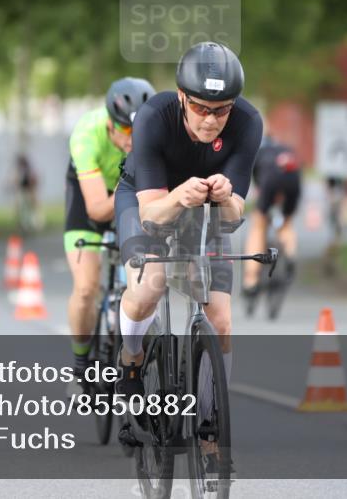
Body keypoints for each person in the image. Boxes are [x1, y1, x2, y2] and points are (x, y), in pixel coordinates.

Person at [113, 42, 262, 401]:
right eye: (200, 108)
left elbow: (232, 219)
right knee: (150, 284)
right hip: (145, 198)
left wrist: (226, 197)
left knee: (222, 322)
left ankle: (212, 428)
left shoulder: (248, 123)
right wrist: (179, 195)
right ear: (182, 97)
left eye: (221, 110)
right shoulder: (153, 116)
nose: (210, 119)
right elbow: (150, 215)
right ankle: (131, 356)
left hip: (205, 209)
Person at [63, 77, 156, 390]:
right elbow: (97, 209)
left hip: (132, 192)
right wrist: (130, 190)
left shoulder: (152, 135)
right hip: (93, 196)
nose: (134, 140)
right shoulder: (87, 135)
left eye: (139, 130)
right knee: (87, 288)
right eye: (127, 131)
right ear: (110, 124)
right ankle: (80, 366)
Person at [242, 134, 301, 316]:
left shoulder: (258, 153)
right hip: (293, 179)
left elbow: (257, 182)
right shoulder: (285, 148)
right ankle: (290, 254)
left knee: (258, 225)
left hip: (271, 180)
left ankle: (251, 281)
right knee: (286, 223)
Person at [14, 153, 40, 233]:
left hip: (28, 191)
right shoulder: (19, 171)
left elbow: (33, 181)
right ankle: (24, 225)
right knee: (23, 209)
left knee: (29, 209)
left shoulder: (29, 170)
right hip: (22, 191)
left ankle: (31, 225)